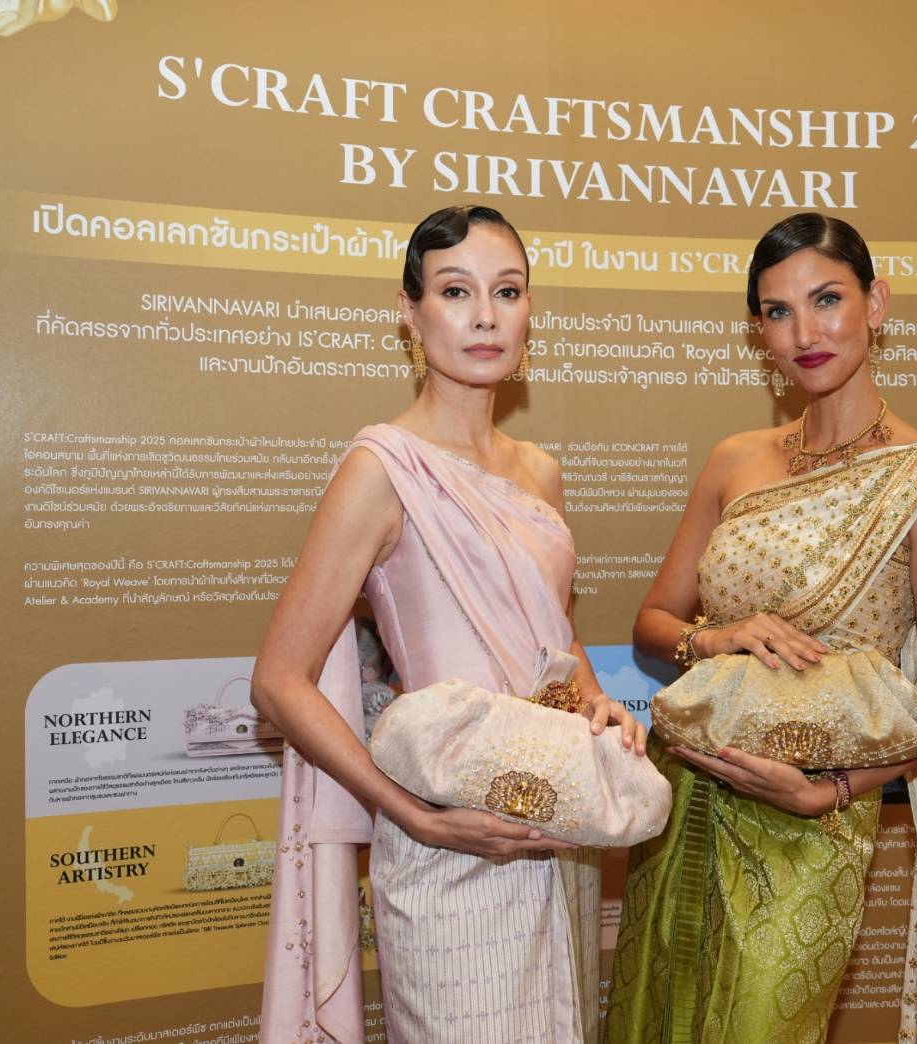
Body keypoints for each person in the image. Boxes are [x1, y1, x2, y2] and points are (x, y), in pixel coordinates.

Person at [252, 205, 646, 1044]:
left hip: (554, 822)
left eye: (507, 291)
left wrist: (595, 702)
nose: (485, 316)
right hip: (445, 839)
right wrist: (412, 814)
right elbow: (278, 682)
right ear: (409, 309)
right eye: (456, 291)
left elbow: (556, 637)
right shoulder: (381, 469)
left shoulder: (539, 472)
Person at [606, 214, 917, 1044]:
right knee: (656, 1015)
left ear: (876, 303)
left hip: (811, 819)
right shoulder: (735, 459)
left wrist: (832, 791)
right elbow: (652, 626)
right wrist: (716, 637)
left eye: (827, 300)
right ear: (759, 331)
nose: (804, 334)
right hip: (689, 786)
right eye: (777, 312)